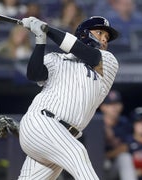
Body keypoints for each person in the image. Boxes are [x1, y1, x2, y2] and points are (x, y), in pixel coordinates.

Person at [18, 15, 119, 179]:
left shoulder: (108, 61)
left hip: (62, 139)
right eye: (100, 33)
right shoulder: (55, 59)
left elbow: (84, 52)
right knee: (78, 153)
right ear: (85, 34)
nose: (104, 39)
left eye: (107, 37)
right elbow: (34, 75)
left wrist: (47, 29)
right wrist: (40, 38)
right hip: (41, 122)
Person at [99, 90, 137, 180]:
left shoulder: (125, 123)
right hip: (93, 165)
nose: (114, 108)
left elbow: (125, 148)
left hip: (113, 167)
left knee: (125, 157)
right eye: (110, 104)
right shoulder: (93, 122)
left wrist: (111, 142)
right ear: (102, 107)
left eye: (116, 104)